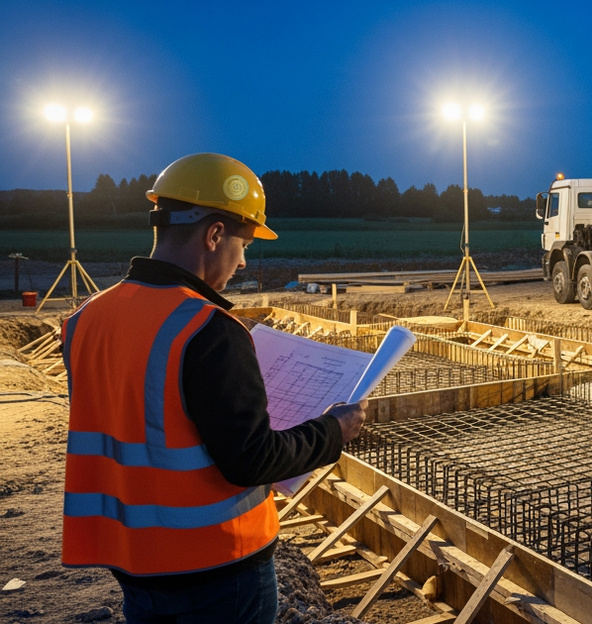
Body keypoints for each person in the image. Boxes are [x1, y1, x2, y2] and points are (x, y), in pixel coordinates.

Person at [61, 153, 368, 624]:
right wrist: (333, 430)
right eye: (243, 244)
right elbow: (251, 460)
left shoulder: (86, 320)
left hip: (133, 559)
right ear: (213, 234)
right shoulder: (207, 328)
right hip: (216, 567)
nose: (243, 261)